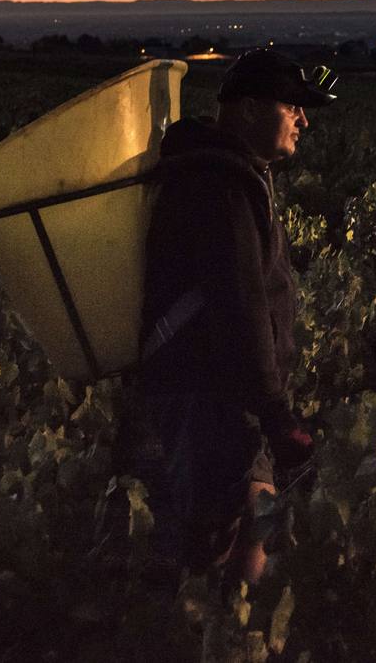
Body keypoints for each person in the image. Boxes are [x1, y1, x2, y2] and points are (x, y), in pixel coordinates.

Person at [135, 48, 336, 585]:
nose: (303, 119)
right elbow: (239, 304)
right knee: (227, 543)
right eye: (292, 106)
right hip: (213, 396)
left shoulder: (228, 174)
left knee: (242, 533)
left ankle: (222, 633)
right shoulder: (219, 185)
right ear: (248, 109)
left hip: (224, 395)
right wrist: (275, 413)